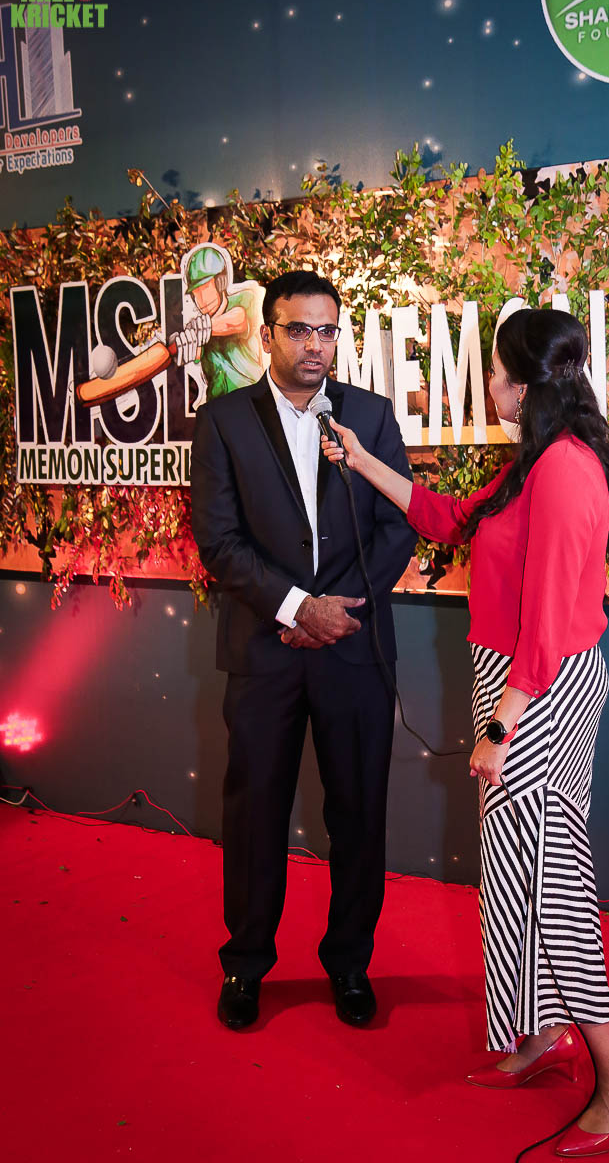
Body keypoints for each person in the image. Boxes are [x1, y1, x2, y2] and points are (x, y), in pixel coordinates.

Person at [321, 308, 609, 1157]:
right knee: (512, 881)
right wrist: (362, 460)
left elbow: (549, 617)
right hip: (516, 685)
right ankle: (540, 1035)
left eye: (497, 373)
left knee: (551, 885)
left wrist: (502, 724)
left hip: (537, 692)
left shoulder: (565, 469)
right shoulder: (531, 465)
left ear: (525, 383)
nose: (490, 386)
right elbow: (445, 518)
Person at [190, 269, 417, 1032]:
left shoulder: (370, 416)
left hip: (354, 648)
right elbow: (219, 541)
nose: (315, 344)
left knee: (358, 814)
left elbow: (397, 525)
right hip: (266, 650)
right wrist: (296, 608)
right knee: (255, 816)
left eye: (327, 330)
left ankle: (350, 963)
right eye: (299, 329)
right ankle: (246, 965)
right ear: (267, 335)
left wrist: (339, 614)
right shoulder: (223, 421)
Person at [174, 245, 264, 400]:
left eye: (205, 288)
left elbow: (238, 320)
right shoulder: (198, 326)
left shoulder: (246, 299)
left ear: (220, 282)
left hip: (250, 400)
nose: (201, 300)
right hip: (217, 404)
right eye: (196, 293)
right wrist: (181, 345)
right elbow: (193, 352)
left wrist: (204, 329)